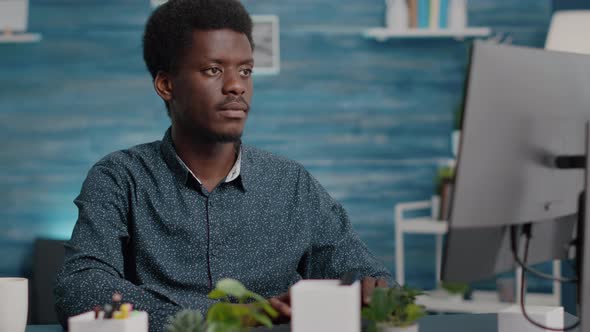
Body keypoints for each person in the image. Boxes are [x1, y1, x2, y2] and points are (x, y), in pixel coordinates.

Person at [54, 0, 393, 330]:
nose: (236, 85)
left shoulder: (292, 183)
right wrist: (232, 318)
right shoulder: (120, 178)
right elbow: (82, 289)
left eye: (245, 70)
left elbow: (363, 271)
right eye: (213, 70)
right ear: (166, 85)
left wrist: (369, 288)